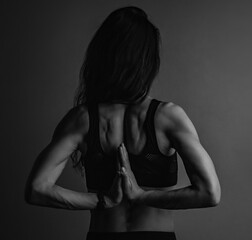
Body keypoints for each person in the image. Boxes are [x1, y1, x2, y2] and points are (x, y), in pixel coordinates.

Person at [25, 6, 221, 240]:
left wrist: (102, 201)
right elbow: (209, 193)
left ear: (102, 56)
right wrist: (141, 196)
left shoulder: (82, 119)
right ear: (147, 61)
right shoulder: (168, 116)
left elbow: (37, 189)